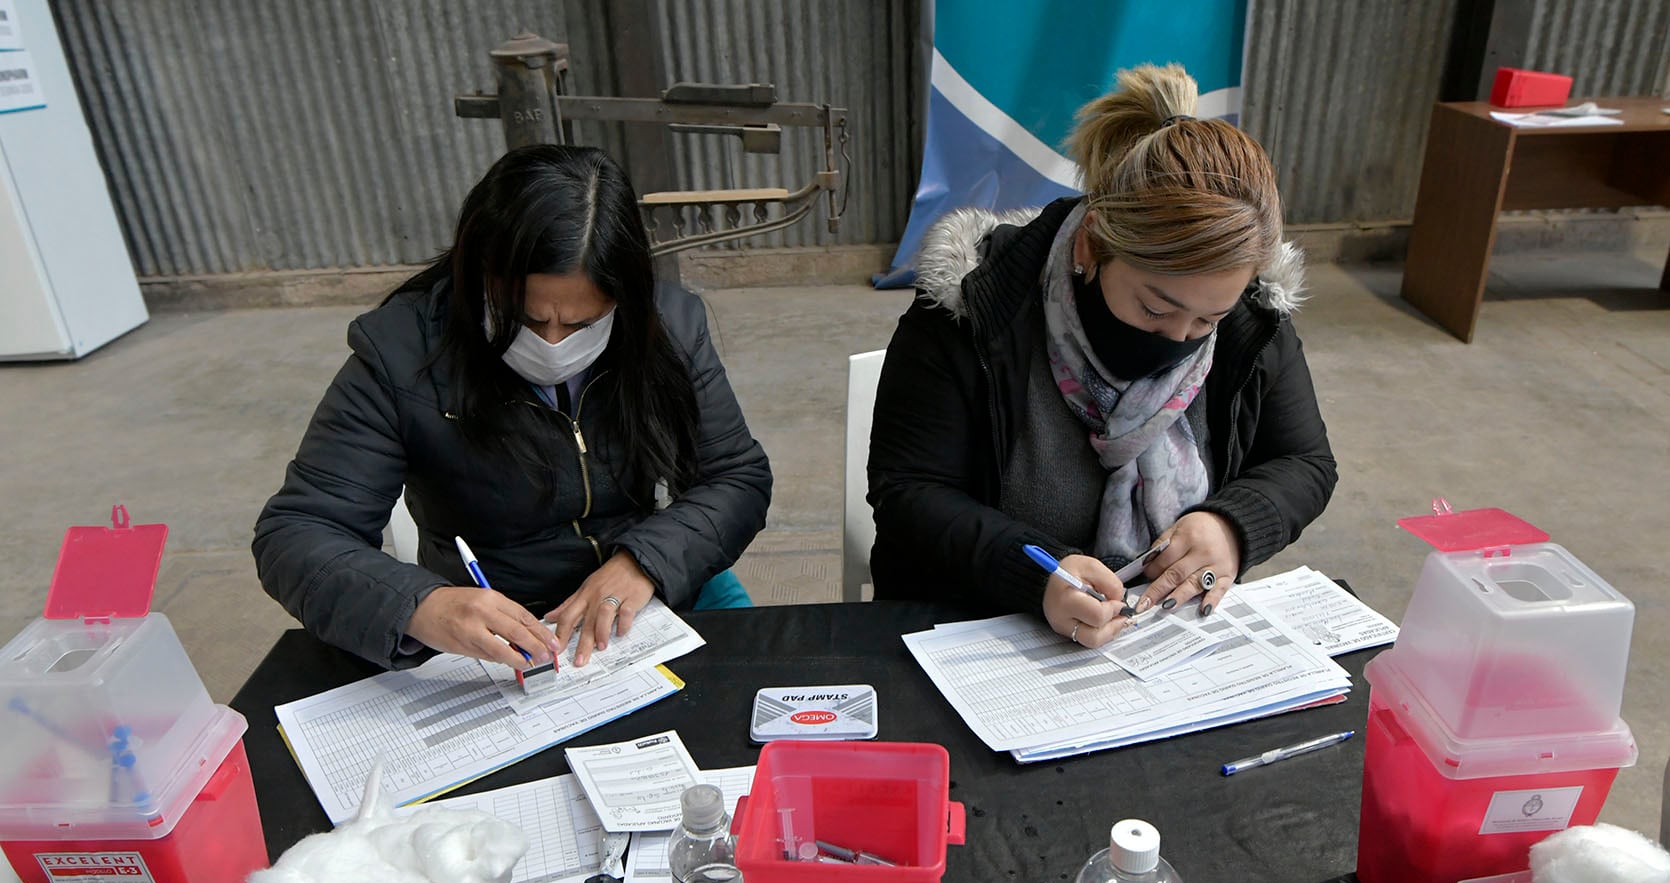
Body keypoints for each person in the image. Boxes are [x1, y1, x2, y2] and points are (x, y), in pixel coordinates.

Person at [867, 63, 1335, 648]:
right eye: (1155, 309)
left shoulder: (1250, 316)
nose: (1181, 337)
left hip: (1168, 639)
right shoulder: (975, 309)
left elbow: (1305, 461)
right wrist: (1034, 574)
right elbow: (910, 491)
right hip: (980, 629)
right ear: (1091, 245)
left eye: (1206, 321)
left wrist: (1232, 526)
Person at [254, 146, 772, 671]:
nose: (551, 344)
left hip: (650, 599)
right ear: (479, 276)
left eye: (580, 326)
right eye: (522, 318)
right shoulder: (401, 356)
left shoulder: (667, 328)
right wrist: (422, 605)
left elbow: (736, 477)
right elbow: (298, 533)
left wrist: (644, 563)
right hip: (501, 635)